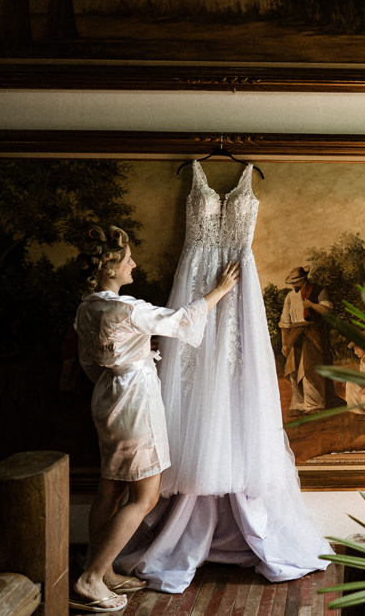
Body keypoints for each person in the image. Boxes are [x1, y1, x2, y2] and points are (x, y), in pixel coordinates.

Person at [114, 160, 330, 593]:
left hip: (238, 283)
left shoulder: (249, 176)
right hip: (196, 283)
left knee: (237, 375)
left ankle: (234, 520)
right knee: (192, 378)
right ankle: (185, 523)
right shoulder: (190, 175)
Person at [71, 225, 238, 612]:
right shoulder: (127, 309)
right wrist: (220, 290)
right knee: (144, 497)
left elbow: (87, 362)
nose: (134, 264)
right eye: (128, 259)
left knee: (110, 490)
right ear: (110, 269)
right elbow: (180, 320)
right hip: (135, 405)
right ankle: (91, 578)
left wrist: (116, 381)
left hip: (108, 399)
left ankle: (103, 568)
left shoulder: (86, 308)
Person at [278, 266, 344, 417]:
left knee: (308, 368)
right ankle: (299, 404)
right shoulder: (289, 297)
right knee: (293, 370)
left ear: (303, 279)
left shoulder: (319, 290)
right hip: (295, 334)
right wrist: (284, 343)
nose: (294, 285)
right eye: (293, 282)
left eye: (296, 281)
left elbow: (327, 312)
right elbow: (284, 322)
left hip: (312, 332)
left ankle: (314, 403)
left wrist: (311, 305)